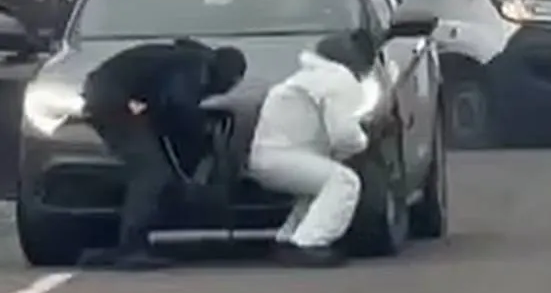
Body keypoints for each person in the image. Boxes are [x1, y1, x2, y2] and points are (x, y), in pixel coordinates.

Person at [80, 38, 247, 270]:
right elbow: (178, 105)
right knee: (151, 173)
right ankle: (132, 247)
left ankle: (125, 245)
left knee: (151, 168)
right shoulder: (196, 66)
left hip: (106, 93)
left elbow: (162, 102)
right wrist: (201, 131)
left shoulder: (185, 59)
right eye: (229, 84)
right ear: (229, 75)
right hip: (110, 100)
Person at [248, 30, 375, 267]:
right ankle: (309, 244)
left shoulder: (306, 77)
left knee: (318, 189)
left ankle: (288, 239)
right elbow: (343, 136)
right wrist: (364, 139)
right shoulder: (339, 79)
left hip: (268, 156)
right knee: (344, 182)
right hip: (284, 157)